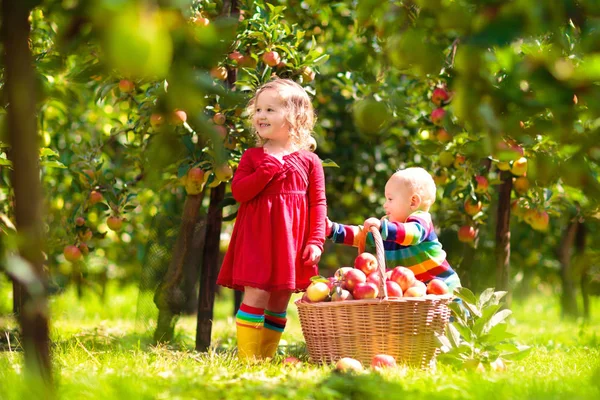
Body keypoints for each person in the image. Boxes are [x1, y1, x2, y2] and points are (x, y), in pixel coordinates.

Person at [217, 79, 327, 360]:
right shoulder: (253, 157)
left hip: (290, 242)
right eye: (258, 110)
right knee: (255, 295)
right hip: (257, 240)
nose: (261, 116)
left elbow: (318, 203)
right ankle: (248, 358)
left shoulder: (309, 161)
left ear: (295, 118)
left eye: (270, 110)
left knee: (280, 299)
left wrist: (315, 240)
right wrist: (266, 170)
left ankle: (265, 357)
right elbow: (241, 192)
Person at [326, 167, 461, 292]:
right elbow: (362, 235)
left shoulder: (421, 221)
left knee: (454, 318)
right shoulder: (388, 229)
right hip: (417, 294)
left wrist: (383, 227)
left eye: (390, 199)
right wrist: (333, 230)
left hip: (446, 290)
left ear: (413, 202)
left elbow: (412, 234)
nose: (385, 205)